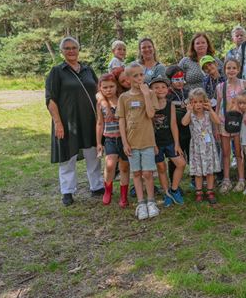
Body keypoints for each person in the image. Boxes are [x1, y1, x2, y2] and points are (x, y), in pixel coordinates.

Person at [46, 37, 104, 206]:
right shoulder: (57, 71)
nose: (71, 51)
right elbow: (51, 99)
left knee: (93, 154)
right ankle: (67, 191)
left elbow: (99, 91)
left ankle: (97, 186)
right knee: (67, 157)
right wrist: (57, 122)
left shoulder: (87, 69)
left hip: (90, 120)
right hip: (67, 122)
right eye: (67, 48)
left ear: (78, 50)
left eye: (74, 47)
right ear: (62, 51)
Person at [117, 63, 160, 220]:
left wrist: (146, 95)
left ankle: (151, 201)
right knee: (136, 173)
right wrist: (124, 142)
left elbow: (150, 114)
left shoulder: (149, 93)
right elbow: (121, 121)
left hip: (147, 141)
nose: (140, 78)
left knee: (148, 173)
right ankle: (141, 203)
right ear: (128, 79)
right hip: (131, 142)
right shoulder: (124, 97)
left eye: (142, 75)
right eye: (135, 76)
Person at [216, 59, 246, 193]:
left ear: (238, 69)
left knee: (238, 152)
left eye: (234, 68)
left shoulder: (243, 84)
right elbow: (218, 106)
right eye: (228, 68)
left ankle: (241, 179)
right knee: (226, 153)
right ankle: (226, 180)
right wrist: (216, 125)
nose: (231, 71)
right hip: (224, 121)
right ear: (224, 70)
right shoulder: (220, 87)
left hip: (240, 123)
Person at [149, 76, 187, 207]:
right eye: (156, 87)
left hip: (170, 141)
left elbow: (173, 124)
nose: (160, 89)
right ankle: (167, 193)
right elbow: (148, 126)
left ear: (167, 89)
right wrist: (153, 145)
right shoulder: (149, 105)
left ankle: (174, 189)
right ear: (150, 90)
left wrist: (177, 143)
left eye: (163, 87)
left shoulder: (170, 103)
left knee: (181, 163)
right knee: (161, 167)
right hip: (156, 143)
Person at [181, 88, 222, 204]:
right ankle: (198, 191)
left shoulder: (208, 114)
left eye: (200, 101)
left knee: (210, 171)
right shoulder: (191, 115)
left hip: (208, 145)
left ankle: (210, 191)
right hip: (197, 146)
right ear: (190, 103)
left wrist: (211, 109)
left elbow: (218, 121)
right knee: (198, 172)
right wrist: (188, 111)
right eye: (194, 102)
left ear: (205, 102)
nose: (198, 105)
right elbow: (184, 123)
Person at [96, 73, 130, 207]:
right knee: (110, 166)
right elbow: (100, 123)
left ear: (117, 86)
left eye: (111, 86)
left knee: (124, 167)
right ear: (100, 88)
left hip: (124, 139)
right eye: (105, 87)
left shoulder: (123, 100)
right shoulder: (101, 104)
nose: (108, 90)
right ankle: (108, 190)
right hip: (110, 139)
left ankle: (123, 195)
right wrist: (99, 142)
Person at [165, 66, 191, 191]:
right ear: (170, 81)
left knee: (191, 154)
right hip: (175, 131)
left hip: (188, 130)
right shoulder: (168, 94)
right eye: (176, 79)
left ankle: (195, 178)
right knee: (175, 157)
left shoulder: (187, 91)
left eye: (181, 78)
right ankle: (174, 183)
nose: (179, 82)